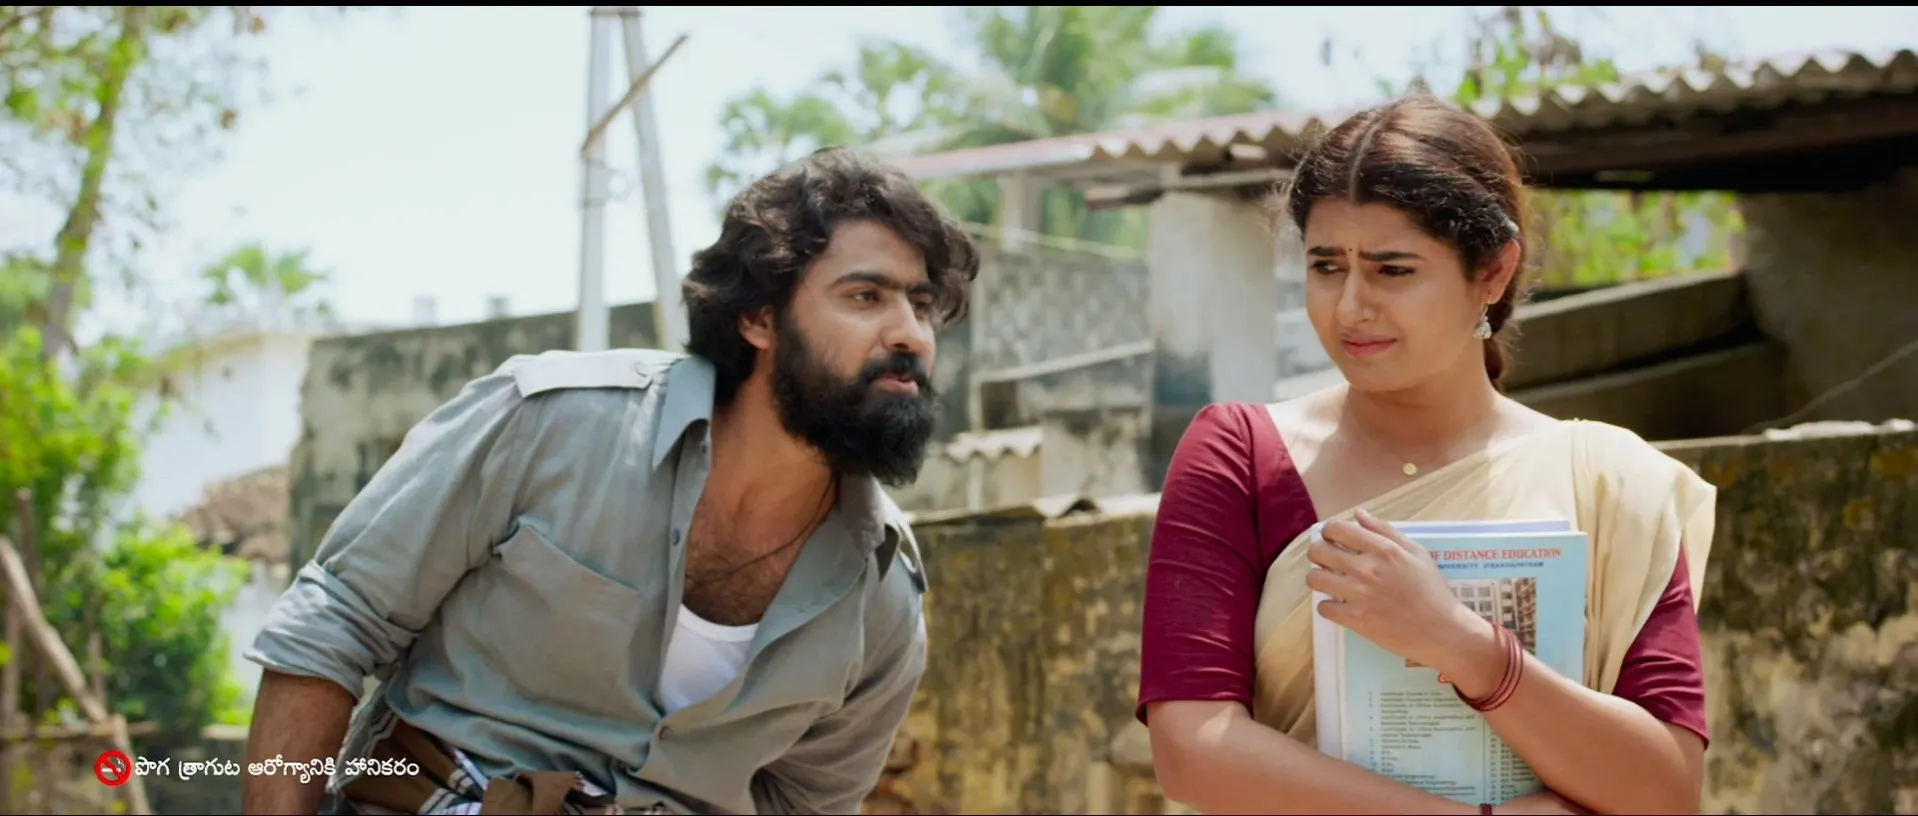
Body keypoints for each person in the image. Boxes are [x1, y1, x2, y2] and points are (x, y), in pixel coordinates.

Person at [241, 146, 980, 816]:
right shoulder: (552, 424)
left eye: (921, 306)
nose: (909, 334)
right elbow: (334, 625)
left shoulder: (881, 594)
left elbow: (804, 805)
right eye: (865, 297)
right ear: (760, 319)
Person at [1136, 94, 1715, 816]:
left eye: (1393, 270)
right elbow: (1193, 751)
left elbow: (1666, 790)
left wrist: (1466, 648)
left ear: (1493, 272)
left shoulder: (1610, 484)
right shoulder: (1242, 456)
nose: (1350, 307)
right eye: (1326, 266)